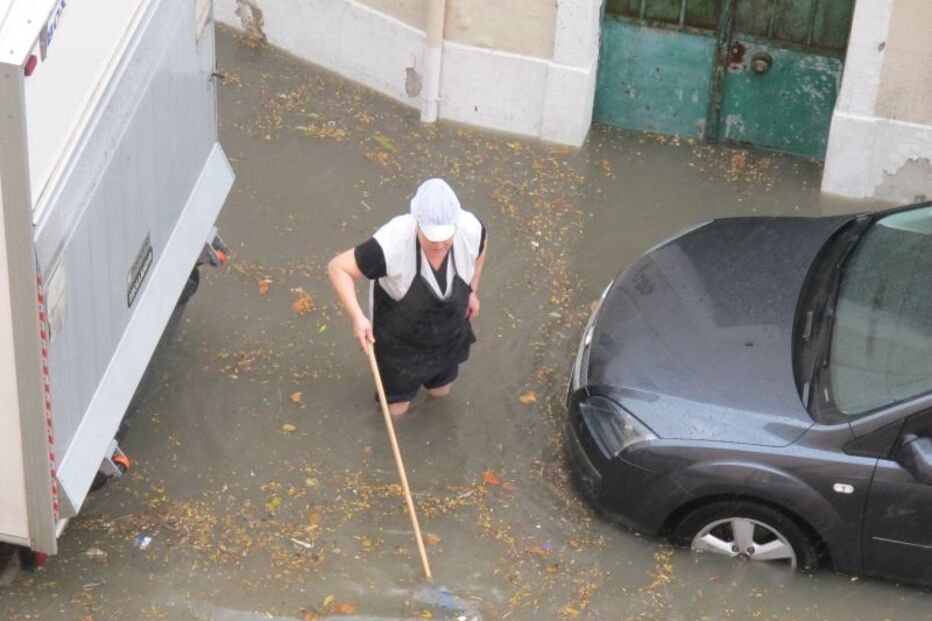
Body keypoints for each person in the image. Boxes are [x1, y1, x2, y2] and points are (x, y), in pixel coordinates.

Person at [328, 178, 488, 415]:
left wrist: (472, 290)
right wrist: (357, 318)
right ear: (417, 224)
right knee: (397, 409)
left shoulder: (470, 228)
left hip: (448, 330)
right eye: (431, 237)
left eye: (445, 237)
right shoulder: (390, 244)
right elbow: (338, 268)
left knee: (441, 392)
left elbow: (482, 245)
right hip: (399, 338)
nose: (439, 244)